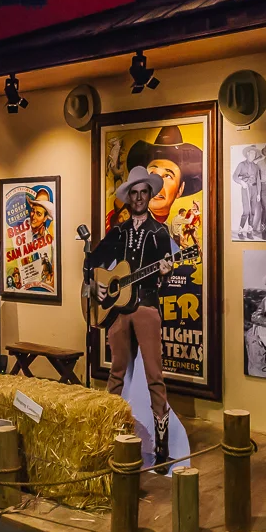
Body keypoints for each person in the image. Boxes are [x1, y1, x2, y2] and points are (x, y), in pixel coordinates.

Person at [90, 166, 175, 472]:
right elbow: (93, 261)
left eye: (143, 193)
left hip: (147, 307)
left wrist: (166, 271)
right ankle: (104, 435)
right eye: (134, 193)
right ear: (129, 197)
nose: (139, 198)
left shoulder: (160, 233)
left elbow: (167, 273)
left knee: (154, 375)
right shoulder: (119, 232)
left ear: (150, 195)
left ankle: (162, 447)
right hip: (117, 310)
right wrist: (95, 284)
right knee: (116, 373)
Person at [125, 126, 203, 224]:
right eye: (152, 174)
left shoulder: (172, 222)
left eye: (168, 176)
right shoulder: (128, 217)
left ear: (180, 189)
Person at [233, 146, 261, 239]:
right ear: (247, 153)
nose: (253, 155)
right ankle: (240, 231)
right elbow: (234, 176)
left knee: (252, 211)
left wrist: (258, 193)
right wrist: (241, 182)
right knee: (246, 211)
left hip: (254, 189)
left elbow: (258, 180)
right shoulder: (241, 165)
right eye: (251, 153)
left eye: (254, 154)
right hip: (246, 189)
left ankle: (250, 231)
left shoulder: (256, 167)